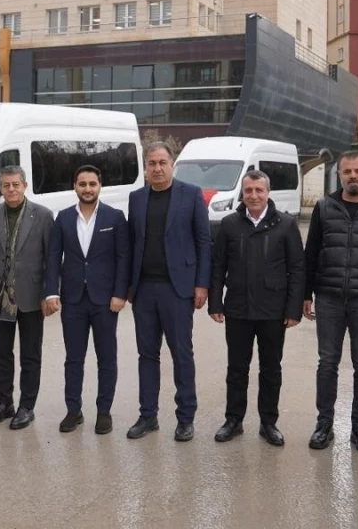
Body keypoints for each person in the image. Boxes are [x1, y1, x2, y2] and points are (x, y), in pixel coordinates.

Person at [302, 150, 358, 454]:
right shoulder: (324, 207)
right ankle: (324, 425)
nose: (353, 176)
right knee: (327, 363)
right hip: (329, 298)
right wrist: (306, 294)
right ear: (339, 174)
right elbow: (312, 252)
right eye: (347, 171)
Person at [208, 170, 304, 446]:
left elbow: (297, 268)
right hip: (238, 308)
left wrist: (293, 309)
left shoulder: (285, 224)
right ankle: (233, 420)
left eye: (259, 190)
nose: (253, 196)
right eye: (248, 190)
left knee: (271, 369)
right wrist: (215, 302)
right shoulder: (229, 224)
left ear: (268, 192)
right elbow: (218, 266)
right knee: (237, 368)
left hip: (273, 310)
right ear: (243, 193)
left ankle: (269, 422)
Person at [125, 142, 211, 442]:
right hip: (144, 290)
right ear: (145, 168)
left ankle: (185, 418)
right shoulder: (136, 198)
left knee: (181, 354)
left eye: (162, 162)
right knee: (147, 355)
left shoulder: (191, 194)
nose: (157, 168)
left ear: (172, 164)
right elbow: (132, 243)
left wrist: (202, 284)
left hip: (178, 289)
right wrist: (128, 286)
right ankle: (148, 416)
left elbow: (203, 241)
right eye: (152, 163)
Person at [45, 165, 130, 435]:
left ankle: (104, 412)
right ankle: (74, 410)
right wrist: (51, 292)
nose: (87, 189)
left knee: (107, 358)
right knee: (73, 358)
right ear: (75, 186)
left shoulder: (115, 217)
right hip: (73, 300)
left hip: (105, 300)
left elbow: (123, 258)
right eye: (82, 184)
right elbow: (53, 257)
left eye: (92, 184)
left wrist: (120, 293)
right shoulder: (63, 218)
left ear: (100, 186)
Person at [0, 165, 54, 430]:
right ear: (0, 187)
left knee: (30, 354)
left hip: (31, 296)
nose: (11, 190)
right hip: (0, 297)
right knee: (1, 354)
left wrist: (49, 293)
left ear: (25, 185)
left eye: (16, 185)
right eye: (6, 185)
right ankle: (5, 402)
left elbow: (51, 259)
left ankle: (26, 406)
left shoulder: (43, 215)